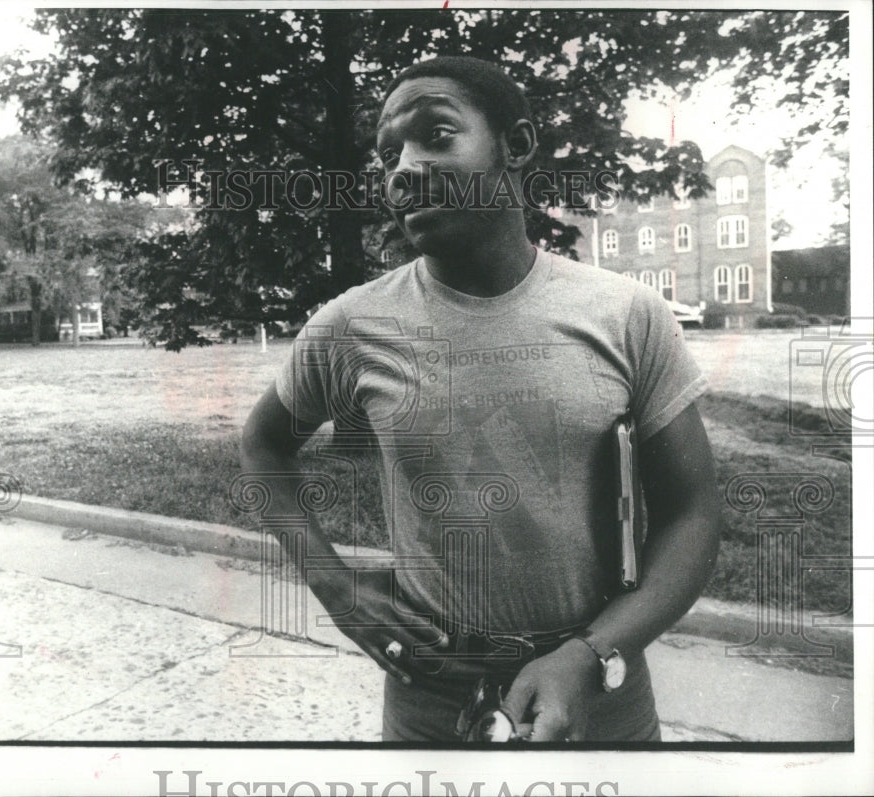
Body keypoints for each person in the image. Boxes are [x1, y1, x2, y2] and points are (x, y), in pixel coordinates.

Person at [240, 55, 721, 742]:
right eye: (388, 155)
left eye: (436, 134)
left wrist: (589, 655)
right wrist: (337, 588)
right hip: (432, 697)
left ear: (516, 146)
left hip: (598, 693)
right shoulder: (354, 323)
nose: (403, 168)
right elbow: (263, 445)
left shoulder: (627, 314)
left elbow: (693, 509)